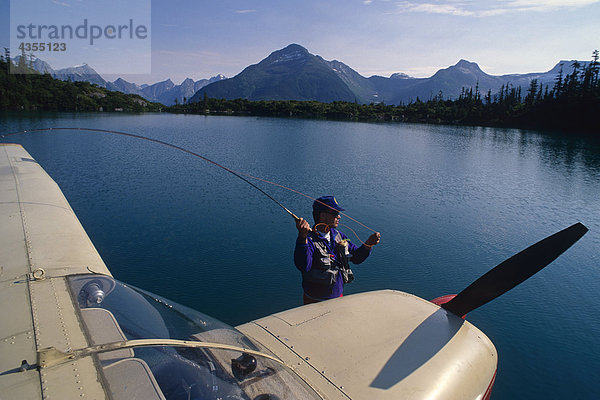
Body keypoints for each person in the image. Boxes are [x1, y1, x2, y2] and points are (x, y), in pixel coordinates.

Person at [294, 196, 380, 304]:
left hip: (338, 298)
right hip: (314, 301)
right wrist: (302, 237)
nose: (339, 217)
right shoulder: (307, 240)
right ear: (323, 216)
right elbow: (304, 266)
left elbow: (357, 258)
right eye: (335, 214)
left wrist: (368, 244)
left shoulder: (339, 236)